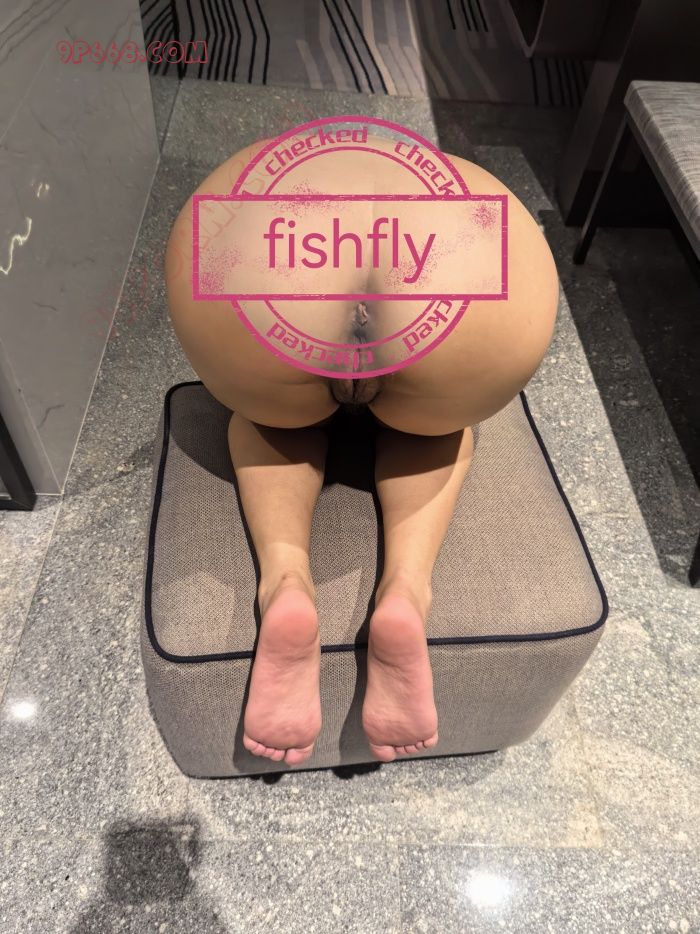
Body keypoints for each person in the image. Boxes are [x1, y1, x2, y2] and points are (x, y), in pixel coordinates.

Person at [164, 133, 558, 765]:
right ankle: (405, 593)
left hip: (271, 249)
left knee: (269, 420)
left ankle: (285, 585)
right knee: (436, 426)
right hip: (461, 257)